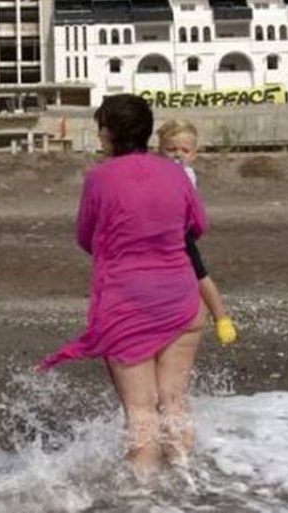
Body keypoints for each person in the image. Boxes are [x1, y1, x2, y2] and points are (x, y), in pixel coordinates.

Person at [40, 94, 207, 478]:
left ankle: (143, 496)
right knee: (173, 401)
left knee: (141, 411)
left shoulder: (99, 178)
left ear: (110, 133)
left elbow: (85, 237)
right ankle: (187, 483)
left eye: (101, 128)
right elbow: (197, 225)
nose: (100, 136)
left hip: (128, 306)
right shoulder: (176, 173)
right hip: (182, 299)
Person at [155, 119, 237, 347]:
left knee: (200, 274)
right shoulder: (157, 171)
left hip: (180, 234)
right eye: (171, 150)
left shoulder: (187, 175)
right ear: (159, 151)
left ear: (194, 154)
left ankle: (222, 318)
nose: (177, 155)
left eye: (184, 150)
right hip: (158, 234)